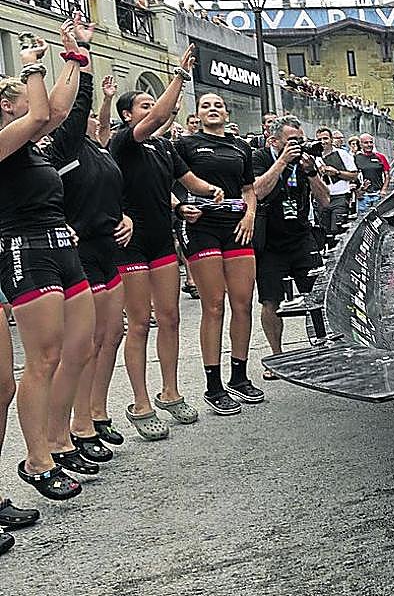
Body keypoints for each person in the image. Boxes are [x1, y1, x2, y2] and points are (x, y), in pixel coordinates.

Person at [1, 23, 95, 509]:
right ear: (6, 105)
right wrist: (32, 64)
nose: (33, 98)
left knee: (78, 345)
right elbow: (42, 112)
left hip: (60, 242)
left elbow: (55, 110)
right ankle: (37, 459)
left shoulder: (32, 139)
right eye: (24, 93)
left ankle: (59, 438)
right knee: (42, 358)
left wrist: (74, 59)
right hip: (25, 247)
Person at [110, 45, 211, 440]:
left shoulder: (164, 147)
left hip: (161, 239)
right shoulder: (124, 140)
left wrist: (202, 197)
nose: (152, 109)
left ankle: (170, 392)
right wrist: (179, 77)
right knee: (139, 323)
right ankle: (140, 403)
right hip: (130, 242)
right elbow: (157, 117)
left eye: (152, 103)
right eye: (144, 104)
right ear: (127, 115)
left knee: (170, 318)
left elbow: (185, 182)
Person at [43, 57, 132, 470]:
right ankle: (76, 427)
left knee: (111, 335)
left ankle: (96, 413)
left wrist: (126, 217)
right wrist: (82, 61)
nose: (93, 119)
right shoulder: (64, 147)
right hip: (79, 253)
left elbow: (111, 193)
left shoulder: (99, 149)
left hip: (109, 249)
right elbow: (78, 108)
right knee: (85, 344)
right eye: (87, 116)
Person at [174, 93, 259, 415]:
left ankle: (239, 377)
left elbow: (248, 189)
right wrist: (179, 207)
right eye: (206, 105)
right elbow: (165, 181)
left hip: (237, 227)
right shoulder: (185, 144)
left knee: (243, 303)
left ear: (227, 113)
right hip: (202, 228)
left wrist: (250, 216)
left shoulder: (241, 146)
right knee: (213, 306)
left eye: (218, 105)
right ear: (197, 114)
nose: (212, 109)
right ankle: (213, 386)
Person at [252, 117, 330, 370]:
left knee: (317, 296)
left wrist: (311, 172)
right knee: (270, 301)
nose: (297, 146)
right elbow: (257, 192)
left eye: (300, 141)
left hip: (301, 237)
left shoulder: (305, 161)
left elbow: (325, 199)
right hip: (270, 241)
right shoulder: (260, 158)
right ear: (274, 141)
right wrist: (282, 161)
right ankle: (276, 356)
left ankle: (324, 349)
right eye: (292, 141)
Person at [316, 127, 357, 246]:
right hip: (322, 198)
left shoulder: (342, 154)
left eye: (325, 138)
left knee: (337, 230)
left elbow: (354, 175)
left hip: (340, 197)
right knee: (324, 232)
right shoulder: (315, 157)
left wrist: (337, 173)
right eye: (319, 139)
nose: (323, 142)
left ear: (331, 139)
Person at [354, 134, 390, 213]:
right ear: (360, 144)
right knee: (363, 218)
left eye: (371, 142)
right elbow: (353, 177)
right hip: (363, 195)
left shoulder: (380, 157)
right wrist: (359, 190)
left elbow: (387, 175)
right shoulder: (356, 158)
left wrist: (384, 189)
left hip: (378, 194)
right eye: (366, 143)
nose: (369, 145)